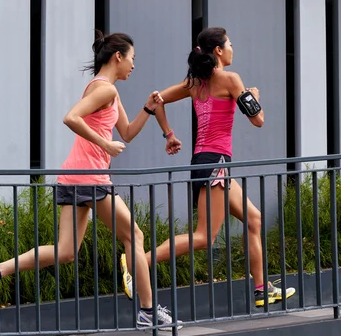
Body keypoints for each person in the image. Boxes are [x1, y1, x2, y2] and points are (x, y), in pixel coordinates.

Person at [0, 31, 181, 330]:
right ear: (118, 56)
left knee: (66, 251)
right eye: (132, 59)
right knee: (135, 237)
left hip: (74, 175)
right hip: (89, 176)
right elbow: (71, 117)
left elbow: (127, 132)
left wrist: (148, 109)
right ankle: (147, 311)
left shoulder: (105, 90)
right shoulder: (105, 90)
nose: (133, 65)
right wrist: (105, 146)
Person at [119, 27, 295, 307]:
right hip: (216, 165)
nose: (233, 48)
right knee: (202, 237)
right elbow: (258, 120)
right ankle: (136, 262)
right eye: (230, 44)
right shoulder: (231, 80)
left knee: (253, 219)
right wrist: (254, 96)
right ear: (219, 51)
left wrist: (169, 134)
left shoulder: (194, 83)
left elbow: (156, 99)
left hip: (207, 163)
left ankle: (262, 290)